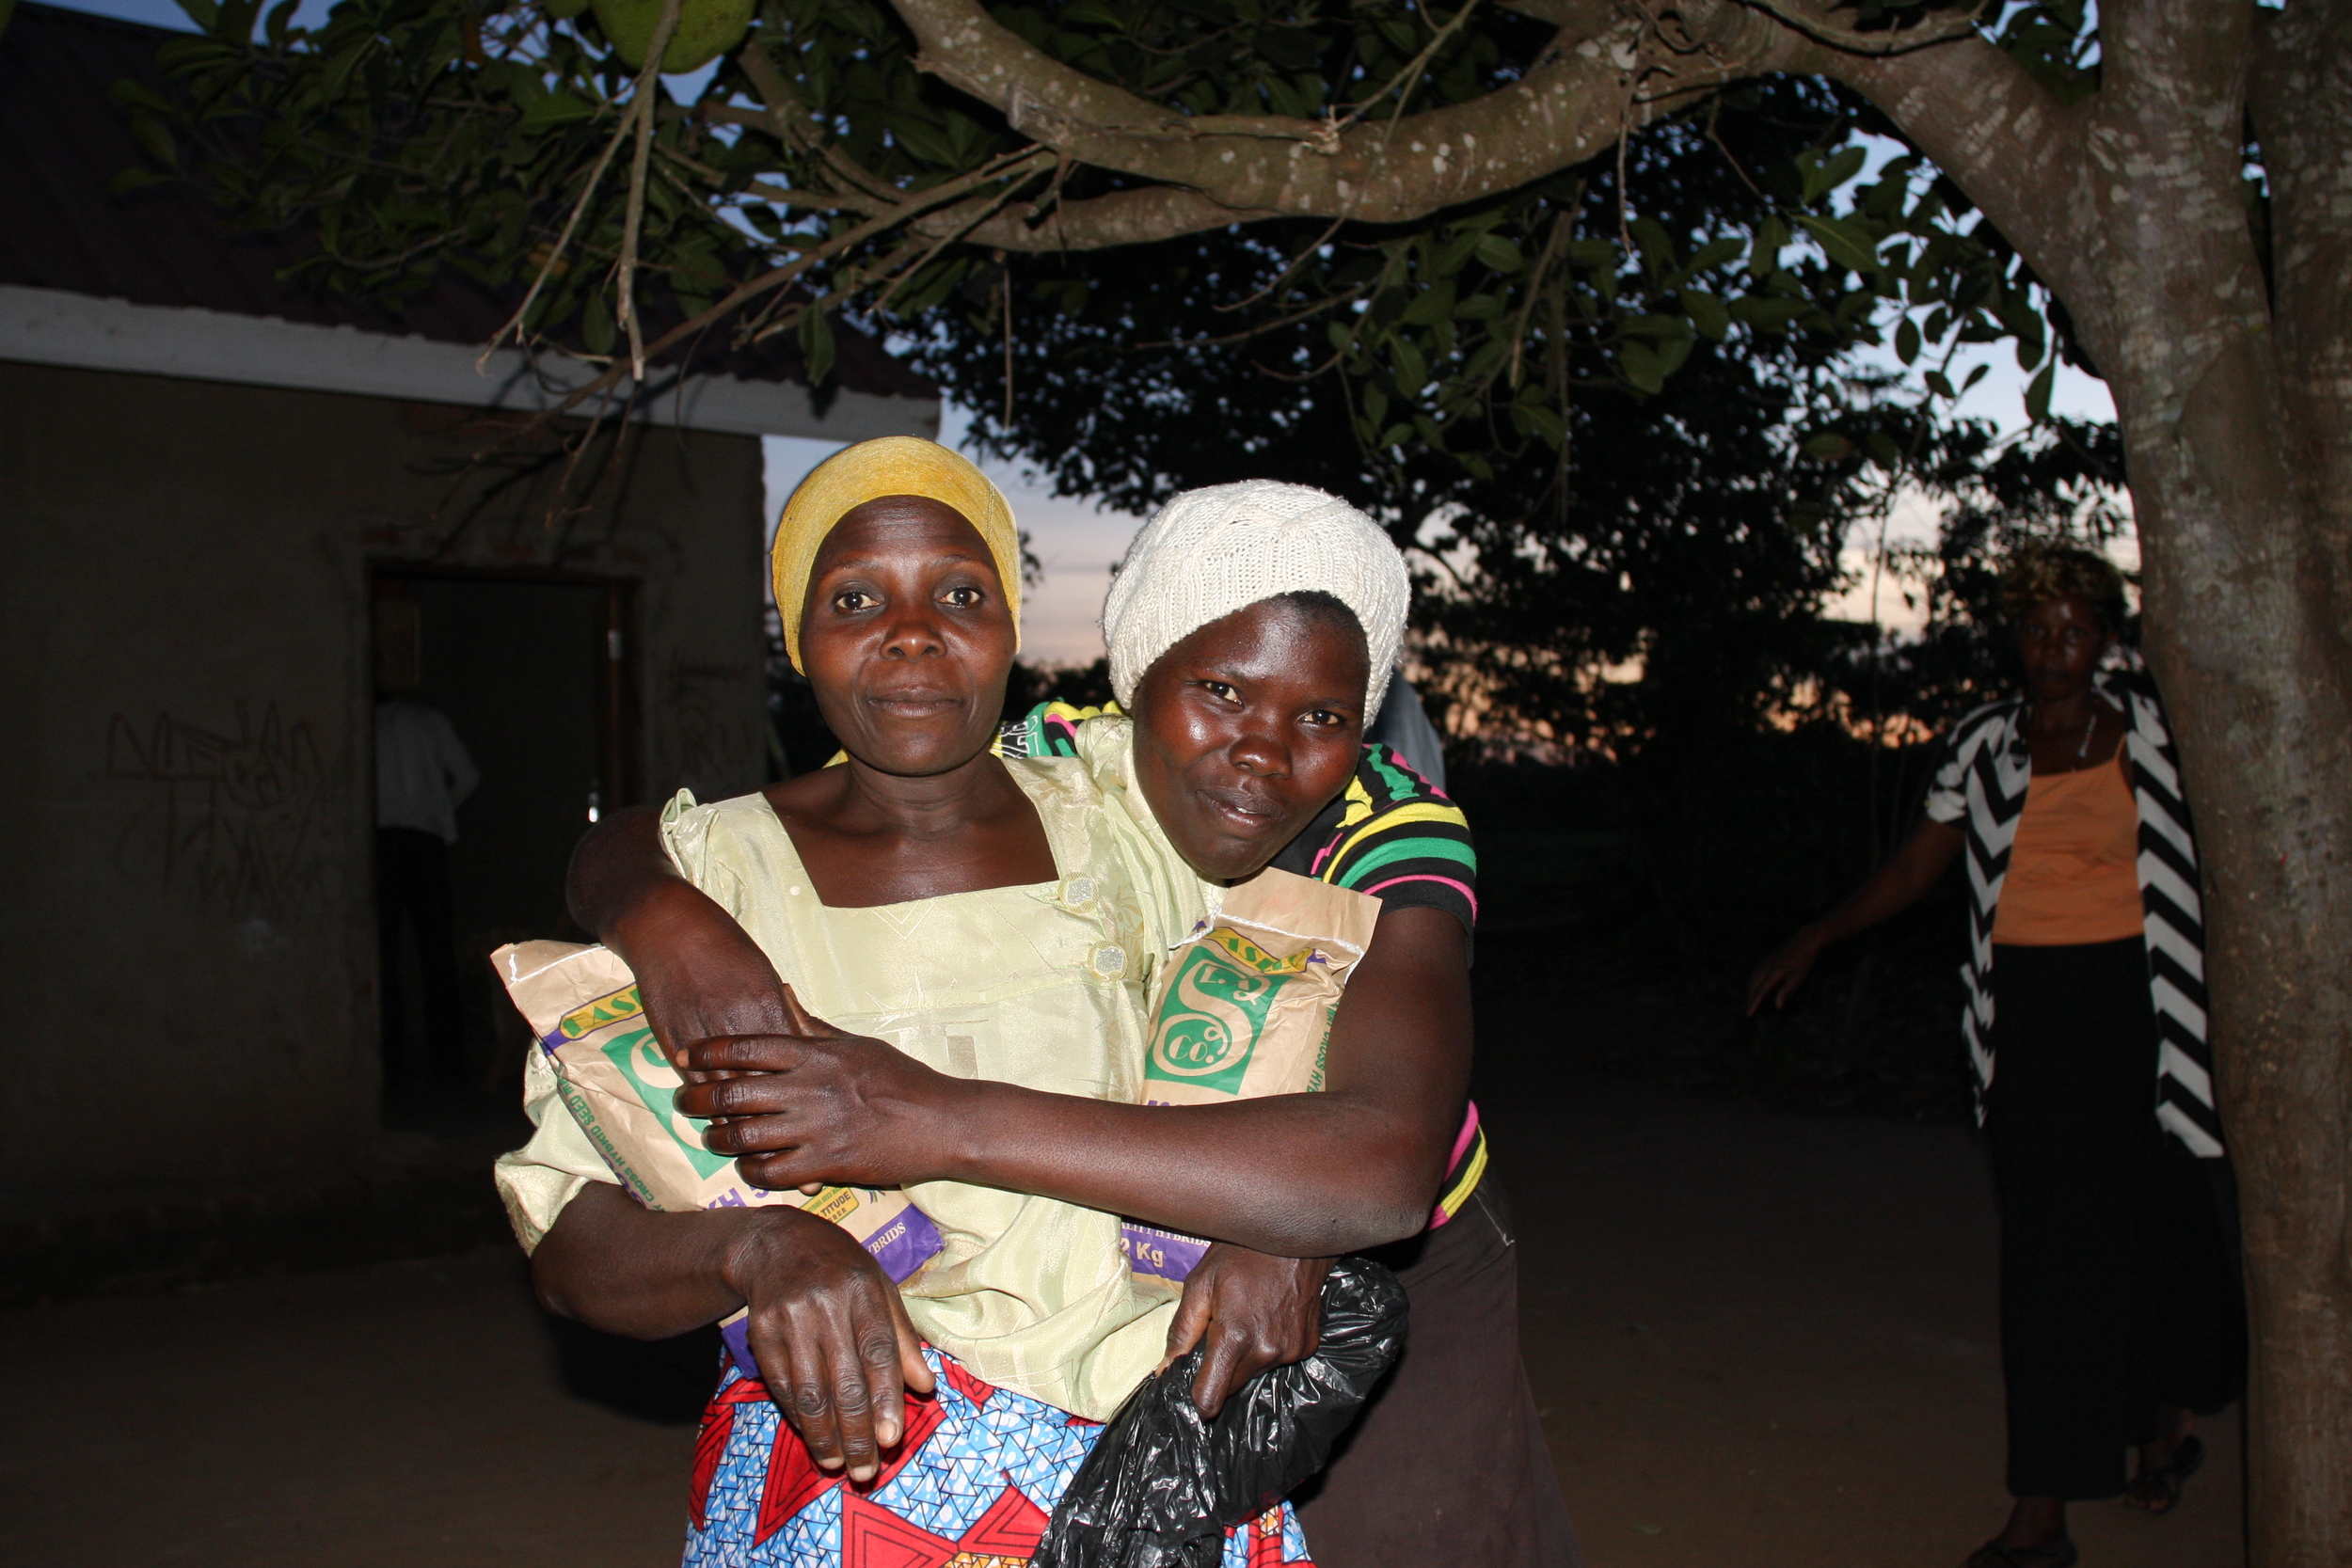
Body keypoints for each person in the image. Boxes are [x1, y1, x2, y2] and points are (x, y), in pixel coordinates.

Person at [568, 474, 1578, 1567]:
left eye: (1322, 715)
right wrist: (650, 900)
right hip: (1135, 1260)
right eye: (1221, 689)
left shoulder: (1389, 825)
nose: (1264, 750)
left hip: (1391, 1253)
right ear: (1134, 680)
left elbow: (1379, 1168)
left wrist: (935, 1116)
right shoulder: (1060, 772)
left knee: (1421, 1533)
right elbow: (768, 830)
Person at [1747, 547, 2245, 1568]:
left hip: (2143, 1018)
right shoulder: (1983, 744)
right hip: (2029, 1022)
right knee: (2048, 1267)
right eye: (2034, 630)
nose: (2051, 649)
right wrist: (1819, 934)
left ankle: (2160, 1427)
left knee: (2151, 1236)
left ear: (2103, 635)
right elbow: (1912, 868)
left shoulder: (2160, 733)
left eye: (2071, 629)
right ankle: (2042, 1504)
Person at [374, 689, 480, 1086]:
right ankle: (448, 1063)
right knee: (436, 952)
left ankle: (389, 1063)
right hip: (424, 842)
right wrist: (438, 811)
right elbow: (469, 776)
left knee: (384, 954)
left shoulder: (371, 722)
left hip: (383, 843)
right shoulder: (428, 720)